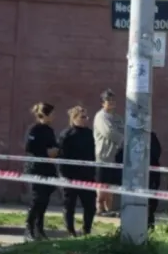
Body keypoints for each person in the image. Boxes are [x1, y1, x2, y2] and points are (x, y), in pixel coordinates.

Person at [58, 105, 97, 237]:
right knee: (69, 205)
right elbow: (61, 156)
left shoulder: (89, 133)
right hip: (70, 176)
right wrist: (63, 176)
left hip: (87, 176)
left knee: (90, 205)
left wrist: (92, 172)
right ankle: (70, 231)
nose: (86, 119)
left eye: (87, 117)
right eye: (82, 117)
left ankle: (87, 230)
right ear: (74, 118)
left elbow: (92, 154)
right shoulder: (66, 135)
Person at [24, 102, 59, 241]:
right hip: (35, 168)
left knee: (44, 200)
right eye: (52, 113)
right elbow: (29, 147)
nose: (54, 116)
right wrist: (45, 152)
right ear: (44, 115)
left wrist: (56, 151)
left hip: (47, 169)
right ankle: (29, 228)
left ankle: (40, 229)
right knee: (37, 199)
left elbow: (54, 145)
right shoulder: (34, 130)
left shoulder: (49, 130)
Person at [115, 131, 163, 230]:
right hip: (134, 177)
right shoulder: (129, 137)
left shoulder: (150, 137)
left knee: (148, 204)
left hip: (147, 176)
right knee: (132, 202)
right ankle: (129, 228)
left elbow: (156, 154)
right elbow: (119, 155)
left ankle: (147, 228)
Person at [93, 89, 124, 216]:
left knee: (111, 184)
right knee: (102, 183)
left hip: (116, 155)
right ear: (102, 103)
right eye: (108, 100)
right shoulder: (101, 116)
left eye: (112, 100)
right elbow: (109, 132)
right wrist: (124, 139)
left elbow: (124, 129)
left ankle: (109, 209)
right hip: (104, 155)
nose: (111, 102)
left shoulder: (118, 118)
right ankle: (99, 208)